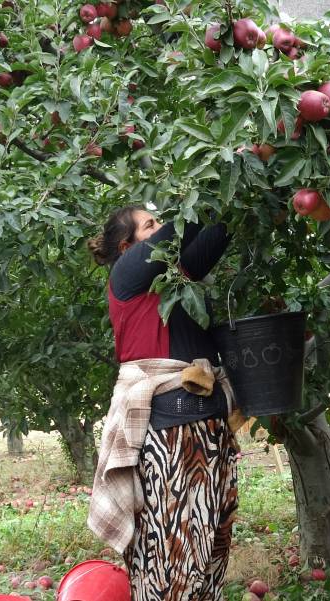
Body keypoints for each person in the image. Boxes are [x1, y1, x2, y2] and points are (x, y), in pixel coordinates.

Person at [85, 206, 236, 601]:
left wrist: (243, 174)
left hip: (209, 427)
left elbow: (219, 226)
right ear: (127, 245)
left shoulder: (178, 280)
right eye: (149, 225)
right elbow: (181, 229)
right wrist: (211, 185)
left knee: (210, 547)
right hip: (172, 431)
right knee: (173, 547)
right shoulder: (126, 276)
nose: (160, 228)